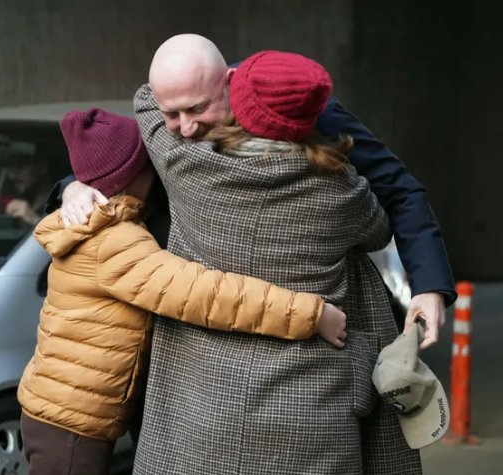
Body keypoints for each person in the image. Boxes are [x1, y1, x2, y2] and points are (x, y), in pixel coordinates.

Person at [60, 48, 427, 473]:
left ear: (233, 97)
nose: (186, 124)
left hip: (200, 412)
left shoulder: (182, 162)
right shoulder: (344, 193)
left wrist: (221, 76)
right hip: (311, 412)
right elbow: (379, 230)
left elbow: (146, 98)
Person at [62, 35, 455, 347]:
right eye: (171, 114)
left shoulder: (305, 114)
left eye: (197, 110)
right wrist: (74, 186)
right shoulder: (163, 124)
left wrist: (429, 288)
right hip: (191, 324)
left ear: (228, 82)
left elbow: (400, 190)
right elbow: (118, 163)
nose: (185, 128)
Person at [17, 108, 348, 475]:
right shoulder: (116, 243)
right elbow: (206, 294)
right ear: (136, 175)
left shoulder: (95, 225)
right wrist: (311, 314)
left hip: (60, 413)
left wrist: (73, 185)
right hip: (71, 426)